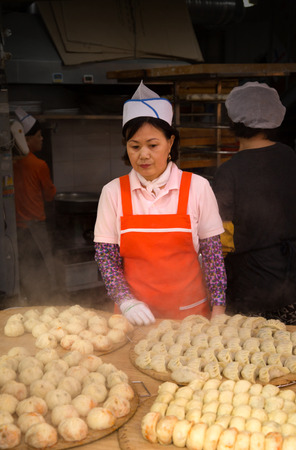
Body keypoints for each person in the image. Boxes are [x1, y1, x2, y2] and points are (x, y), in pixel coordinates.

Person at [94, 81, 226, 325]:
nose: (143, 154)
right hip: (132, 319)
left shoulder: (197, 187)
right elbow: (106, 258)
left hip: (190, 318)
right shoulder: (112, 192)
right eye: (134, 146)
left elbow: (213, 256)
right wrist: (125, 301)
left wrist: (218, 309)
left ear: (171, 143)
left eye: (152, 145)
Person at [212, 81, 296, 324]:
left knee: (249, 351)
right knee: (286, 351)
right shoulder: (290, 156)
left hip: (250, 286)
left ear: (234, 123)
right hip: (290, 280)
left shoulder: (229, 172)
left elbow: (223, 236)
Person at [13, 107, 57, 304]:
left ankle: (25, 301)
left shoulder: (11, 163)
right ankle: (43, 301)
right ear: (27, 139)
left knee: (23, 268)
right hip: (36, 225)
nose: (42, 139)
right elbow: (49, 195)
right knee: (44, 270)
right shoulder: (39, 165)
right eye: (39, 136)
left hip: (17, 227)